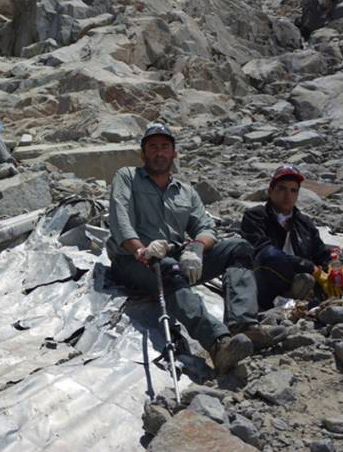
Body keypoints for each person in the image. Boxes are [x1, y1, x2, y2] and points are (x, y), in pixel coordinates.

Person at [107, 123, 287, 373]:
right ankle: (217, 344)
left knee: (238, 248)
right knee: (169, 269)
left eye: (165, 147)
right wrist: (141, 250)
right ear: (143, 154)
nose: (159, 153)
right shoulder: (127, 177)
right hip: (132, 260)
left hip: (173, 257)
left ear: (174, 153)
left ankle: (243, 325)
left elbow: (206, 226)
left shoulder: (186, 193)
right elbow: (119, 219)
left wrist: (197, 248)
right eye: (153, 147)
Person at [240, 164, 343, 308]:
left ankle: (319, 293)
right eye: (282, 188)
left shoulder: (304, 222)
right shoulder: (255, 216)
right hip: (269, 279)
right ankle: (304, 293)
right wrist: (311, 268)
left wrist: (335, 268)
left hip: (308, 278)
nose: (288, 195)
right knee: (270, 255)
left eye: (293, 190)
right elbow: (261, 250)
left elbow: (321, 253)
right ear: (270, 191)